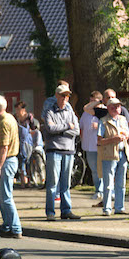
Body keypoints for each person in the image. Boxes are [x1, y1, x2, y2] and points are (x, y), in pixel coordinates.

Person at [42, 84, 81, 221]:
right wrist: (66, 127)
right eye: (63, 95)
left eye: (67, 96)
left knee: (66, 184)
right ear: (57, 96)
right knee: (52, 183)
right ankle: (50, 212)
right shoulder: (49, 111)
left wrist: (60, 129)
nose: (65, 98)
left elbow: (76, 130)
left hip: (69, 151)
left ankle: (66, 210)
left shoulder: (70, 112)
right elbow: (50, 128)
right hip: (54, 151)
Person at [0, 95, 22, 238]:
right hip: (12, 159)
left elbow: (4, 147)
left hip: (7, 160)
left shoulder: (3, 122)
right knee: (3, 195)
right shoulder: (10, 117)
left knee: (6, 196)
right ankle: (7, 225)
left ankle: (15, 228)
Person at [97, 98, 129, 216]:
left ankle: (119, 207)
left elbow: (128, 133)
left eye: (118, 107)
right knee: (108, 183)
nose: (116, 109)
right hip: (109, 154)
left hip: (122, 152)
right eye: (113, 107)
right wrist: (113, 139)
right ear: (108, 108)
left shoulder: (123, 119)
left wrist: (125, 136)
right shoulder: (103, 121)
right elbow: (100, 141)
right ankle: (106, 208)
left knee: (121, 183)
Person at [80, 92, 103, 204]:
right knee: (94, 170)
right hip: (89, 146)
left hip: (100, 146)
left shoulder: (104, 111)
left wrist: (98, 126)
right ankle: (98, 190)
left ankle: (103, 191)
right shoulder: (86, 113)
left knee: (102, 170)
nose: (90, 102)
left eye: (93, 100)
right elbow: (81, 127)